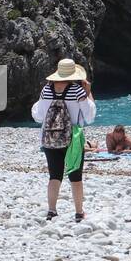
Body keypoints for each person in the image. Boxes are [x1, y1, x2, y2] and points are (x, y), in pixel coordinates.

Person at [30, 58, 96, 222]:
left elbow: (38, 116)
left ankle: (52, 211)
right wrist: (89, 94)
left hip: (50, 138)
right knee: (75, 175)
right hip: (73, 138)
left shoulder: (46, 90)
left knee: (54, 175)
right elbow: (89, 117)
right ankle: (79, 212)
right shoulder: (77, 91)